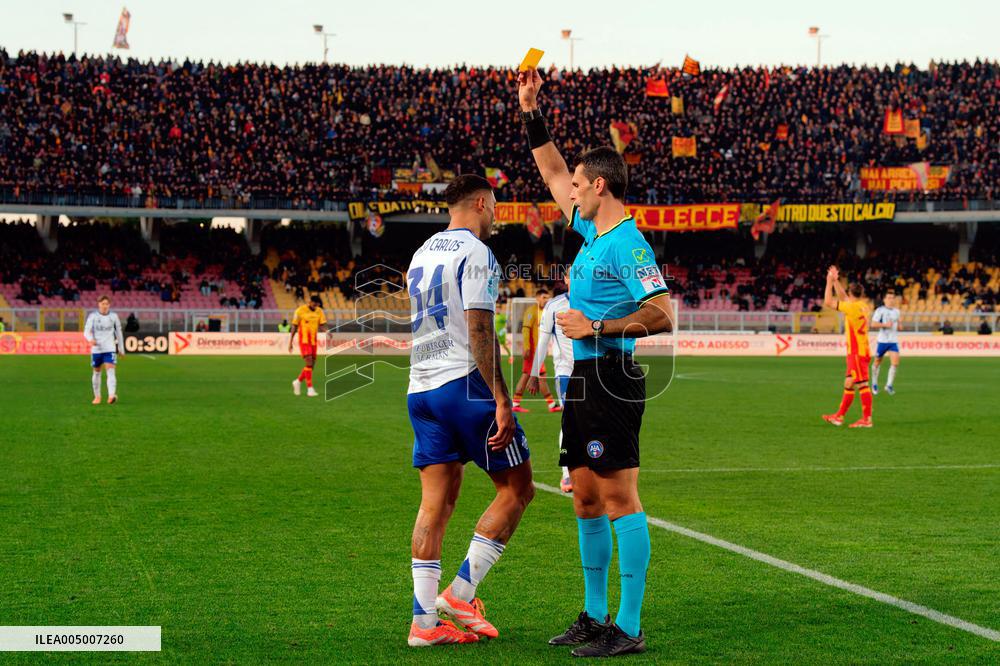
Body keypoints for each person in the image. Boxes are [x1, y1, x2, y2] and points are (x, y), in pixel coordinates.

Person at [519, 68, 673, 658]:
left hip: (610, 372)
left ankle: (627, 627)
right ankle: (593, 613)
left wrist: (600, 325)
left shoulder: (629, 244)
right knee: (583, 497)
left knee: (618, 498)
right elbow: (553, 170)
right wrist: (532, 111)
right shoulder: (589, 231)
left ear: (602, 187)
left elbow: (661, 312)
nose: (571, 192)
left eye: (582, 185)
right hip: (581, 378)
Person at [404, 175, 534, 647]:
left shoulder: (422, 252)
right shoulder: (477, 253)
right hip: (465, 384)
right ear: (481, 202)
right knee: (517, 488)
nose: (497, 214)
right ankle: (461, 592)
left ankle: (423, 625)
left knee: (435, 504)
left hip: (421, 387)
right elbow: (479, 329)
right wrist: (501, 396)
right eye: (496, 205)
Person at [527, 278, 575, 492]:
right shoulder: (554, 305)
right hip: (566, 371)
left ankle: (594, 466)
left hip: (594, 370)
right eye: (574, 274)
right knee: (570, 418)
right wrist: (535, 373)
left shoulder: (596, 300)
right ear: (566, 279)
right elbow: (543, 340)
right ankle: (567, 473)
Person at [822, 267, 873, 428]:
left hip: (857, 352)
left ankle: (867, 419)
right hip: (859, 350)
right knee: (849, 384)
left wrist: (829, 282)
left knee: (862, 384)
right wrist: (836, 280)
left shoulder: (851, 307)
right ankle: (839, 417)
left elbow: (828, 302)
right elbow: (844, 297)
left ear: (852, 294)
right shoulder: (862, 306)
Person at [511, 286, 557, 413]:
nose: (546, 300)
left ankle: (516, 403)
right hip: (532, 351)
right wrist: (527, 348)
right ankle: (552, 405)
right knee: (538, 376)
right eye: (543, 297)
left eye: (548, 298)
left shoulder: (545, 312)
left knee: (527, 375)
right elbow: (526, 329)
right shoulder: (532, 311)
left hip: (537, 351)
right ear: (537, 298)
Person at [83, 295, 125, 405]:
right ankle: (97, 396)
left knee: (111, 371)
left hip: (110, 348)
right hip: (96, 349)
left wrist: (121, 348)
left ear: (109, 305)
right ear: (99, 304)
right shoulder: (93, 316)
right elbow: (86, 331)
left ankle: (111, 396)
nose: (105, 306)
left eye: (106, 304)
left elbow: (119, 333)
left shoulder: (114, 316)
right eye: (103, 304)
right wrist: (90, 339)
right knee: (96, 372)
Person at [288, 295, 327, 397]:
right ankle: (310, 389)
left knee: (311, 366)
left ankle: (297, 381)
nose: (316, 306)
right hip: (304, 340)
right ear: (310, 302)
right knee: (309, 362)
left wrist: (327, 331)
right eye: (314, 304)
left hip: (314, 341)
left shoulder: (319, 311)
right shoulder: (300, 311)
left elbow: (321, 324)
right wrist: (290, 342)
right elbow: (294, 326)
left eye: (317, 304)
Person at [871, 290, 901, 395]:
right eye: (889, 298)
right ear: (884, 300)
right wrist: (885, 325)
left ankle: (889, 385)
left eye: (893, 298)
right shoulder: (880, 310)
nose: (891, 300)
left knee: (895, 363)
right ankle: (874, 383)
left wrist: (900, 326)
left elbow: (898, 323)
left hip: (893, 341)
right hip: (882, 341)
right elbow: (873, 324)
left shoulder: (897, 311)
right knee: (877, 362)